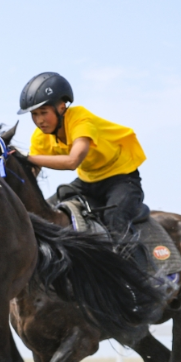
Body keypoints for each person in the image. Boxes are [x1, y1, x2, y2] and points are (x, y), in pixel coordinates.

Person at [19, 72, 147, 247]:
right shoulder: (40, 137)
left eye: (43, 112)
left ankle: (134, 271)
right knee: (44, 213)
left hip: (121, 180)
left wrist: (27, 158)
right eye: (34, 114)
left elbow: (73, 161)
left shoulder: (81, 119)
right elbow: (31, 175)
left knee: (115, 220)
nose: (39, 120)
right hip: (87, 182)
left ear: (62, 107)